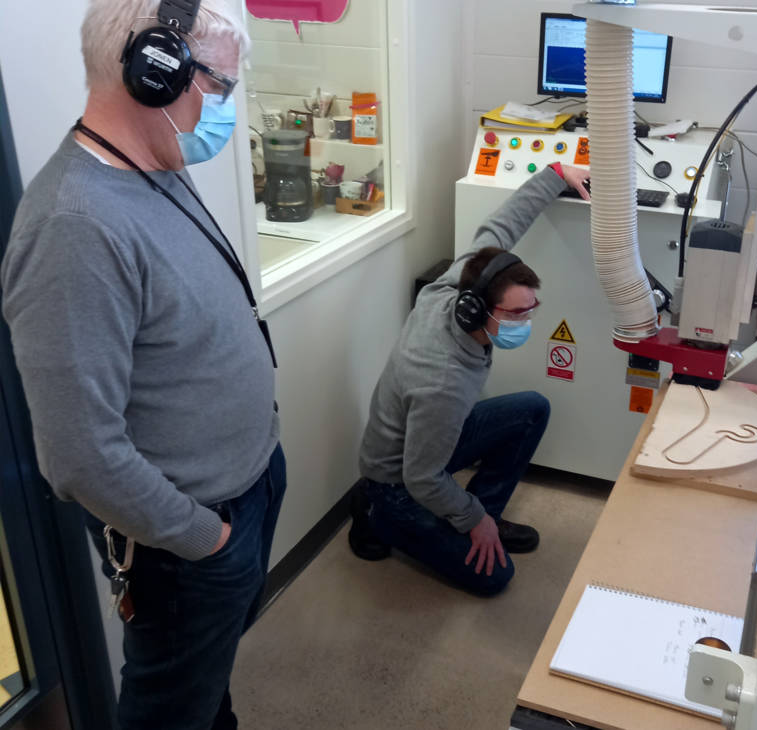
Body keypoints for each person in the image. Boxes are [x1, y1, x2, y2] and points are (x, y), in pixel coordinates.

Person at [1, 2, 284, 728]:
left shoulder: (153, 165)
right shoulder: (74, 226)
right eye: (218, 86)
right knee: (167, 709)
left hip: (244, 489)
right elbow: (78, 457)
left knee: (203, 683)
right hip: (185, 543)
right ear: (157, 72)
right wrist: (208, 542)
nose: (223, 106)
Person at [351, 163, 590, 596]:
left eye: (532, 307)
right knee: (495, 578)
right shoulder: (442, 381)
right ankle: (376, 515)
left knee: (532, 409)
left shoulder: (455, 287)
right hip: (398, 483)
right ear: (477, 310)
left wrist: (557, 173)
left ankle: (482, 515)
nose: (529, 320)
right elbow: (421, 476)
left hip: (421, 445)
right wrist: (471, 518)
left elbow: (500, 224)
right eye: (518, 313)